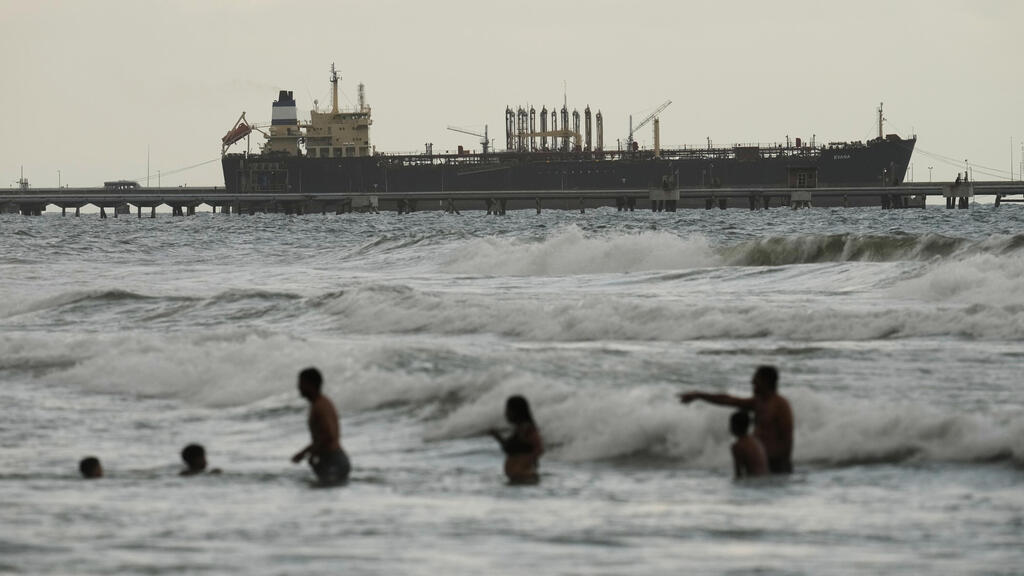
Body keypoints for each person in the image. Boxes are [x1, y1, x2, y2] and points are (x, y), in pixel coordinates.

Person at [679, 365, 794, 474]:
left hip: (777, 466)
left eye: (756, 379)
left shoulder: (781, 406)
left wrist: (781, 466)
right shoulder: (758, 402)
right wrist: (699, 395)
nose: (752, 382)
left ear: (766, 382)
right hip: (759, 462)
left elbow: (787, 441)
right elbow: (728, 400)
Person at [292, 367, 350, 484]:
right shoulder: (321, 403)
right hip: (333, 459)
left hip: (333, 460)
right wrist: (307, 453)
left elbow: (328, 436)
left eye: (301, 383)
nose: (298, 387)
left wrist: (307, 453)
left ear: (310, 384)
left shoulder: (320, 406)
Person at [490, 395, 543, 484]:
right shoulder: (519, 429)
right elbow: (511, 450)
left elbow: (539, 449)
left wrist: (525, 462)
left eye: (508, 410)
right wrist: (497, 437)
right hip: (517, 479)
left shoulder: (527, 428)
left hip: (525, 478)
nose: (506, 413)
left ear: (516, 411)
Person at [729, 411, 769, 479]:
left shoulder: (738, 446)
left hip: (753, 481)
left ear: (735, 426)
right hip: (766, 478)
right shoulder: (756, 441)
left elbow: (738, 474)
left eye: (731, 424)